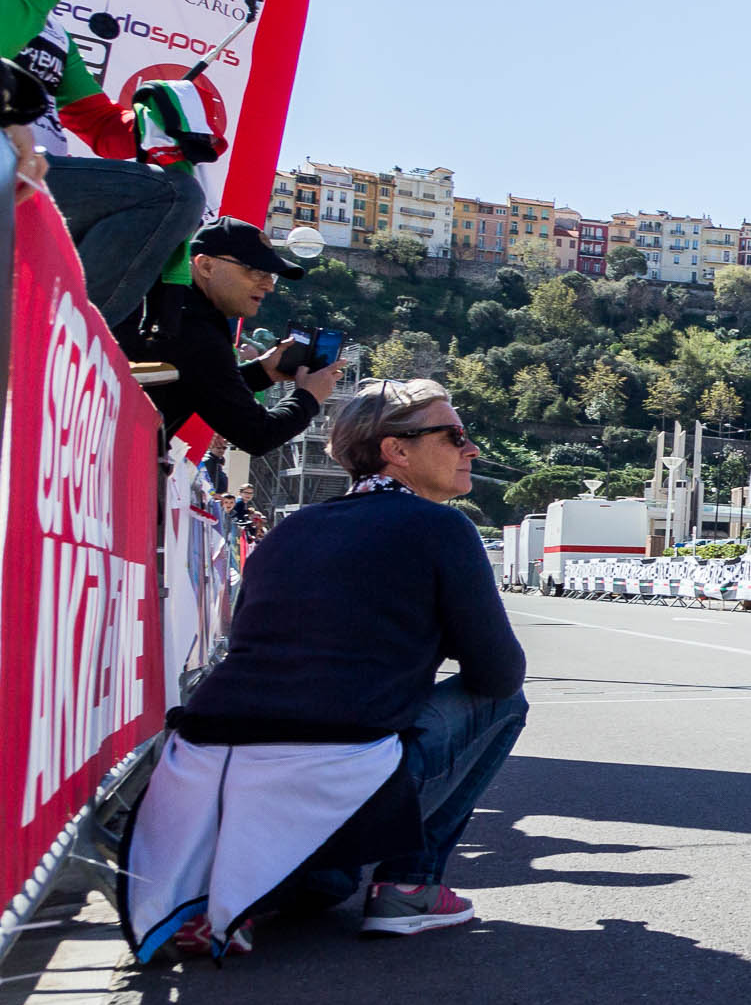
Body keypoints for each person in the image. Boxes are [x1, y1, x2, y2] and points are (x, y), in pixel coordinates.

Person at [129, 379, 527, 956]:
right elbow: (498, 675)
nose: (472, 450)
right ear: (397, 450)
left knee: (330, 887)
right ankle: (409, 886)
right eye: (455, 436)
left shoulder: (289, 530)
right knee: (505, 703)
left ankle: (248, 890)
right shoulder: (442, 528)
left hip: (211, 774)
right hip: (331, 770)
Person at [0, 0, 207, 328]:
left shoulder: (50, 20)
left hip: (39, 181)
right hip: (12, 171)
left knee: (166, 195)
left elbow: (100, 127)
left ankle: (50, 338)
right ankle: (57, 339)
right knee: (171, 197)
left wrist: (159, 116)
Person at [145, 216, 339, 454]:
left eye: (271, 275)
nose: (269, 285)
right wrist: (308, 396)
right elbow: (258, 434)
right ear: (206, 266)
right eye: (256, 271)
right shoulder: (197, 330)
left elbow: (204, 384)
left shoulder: (175, 309)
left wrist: (262, 372)